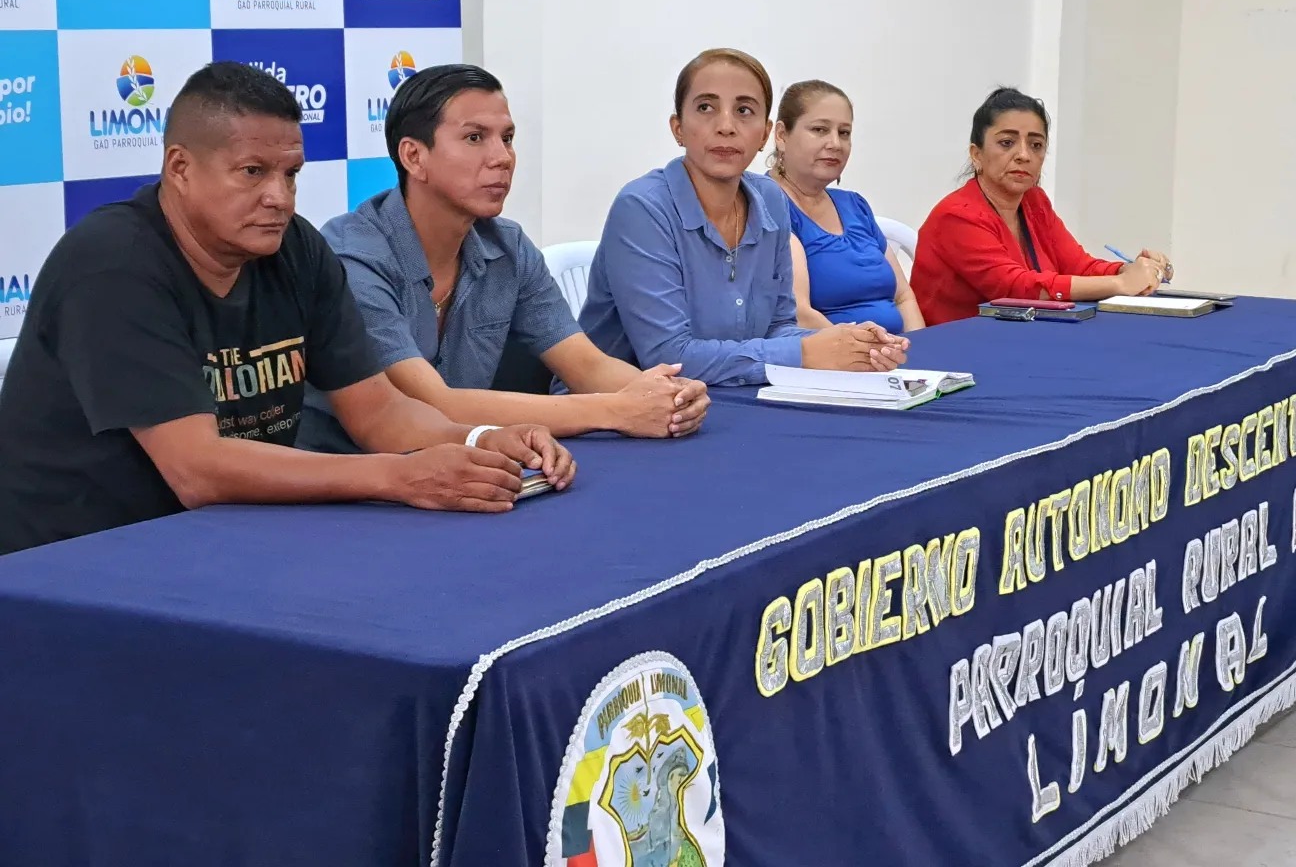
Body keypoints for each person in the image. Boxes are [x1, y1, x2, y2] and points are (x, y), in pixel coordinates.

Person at [0, 62, 574, 556]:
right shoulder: (112, 265)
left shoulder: (296, 248)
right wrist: (399, 475)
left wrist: (478, 440)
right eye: (253, 172)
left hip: (226, 538)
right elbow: (197, 471)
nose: (279, 196)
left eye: (291, 174)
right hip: (74, 560)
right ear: (180, 169)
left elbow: (379, 413)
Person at [298, 64, 710, 449]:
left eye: (507, 138)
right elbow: (430, 403)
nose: (502, 158)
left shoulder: (507, 245)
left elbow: (587, 366)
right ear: (413, 157)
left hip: (463, 465)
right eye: (475, 138)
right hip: (348, 475)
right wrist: (615, 411)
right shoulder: (353, 254)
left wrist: (667, 396)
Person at [580, 47, 909, 387]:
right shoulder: (642, 208)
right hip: (623, 406)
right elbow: (669, 355)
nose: (726, 126)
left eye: (744, 110)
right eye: (705, 107)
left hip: (732, 395)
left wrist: (848, 345)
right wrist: (806, 353)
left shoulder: (770, 199)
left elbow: (778, 326)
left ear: (765, 134)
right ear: (678, 128)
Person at [911, 88, 1173, 323]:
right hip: (958, 347)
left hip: (1022, 336)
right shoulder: (957, 215)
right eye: (1007, 143)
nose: (1024, 155)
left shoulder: (1034, 201)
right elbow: (1016, 289)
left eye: (1036, 145)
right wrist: (1120, 283)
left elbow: (1079, 266)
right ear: (976, 154)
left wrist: (1130, 269)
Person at [769, 80, 924, 334]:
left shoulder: (855, 205)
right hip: (832, 354)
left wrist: (920, 346)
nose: (835, 144)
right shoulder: (768, 205)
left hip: (898, 352)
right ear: (781, 135)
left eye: (844, 133)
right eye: (819, 129)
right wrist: (872, 351)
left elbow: (903, 297)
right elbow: (799, 314)